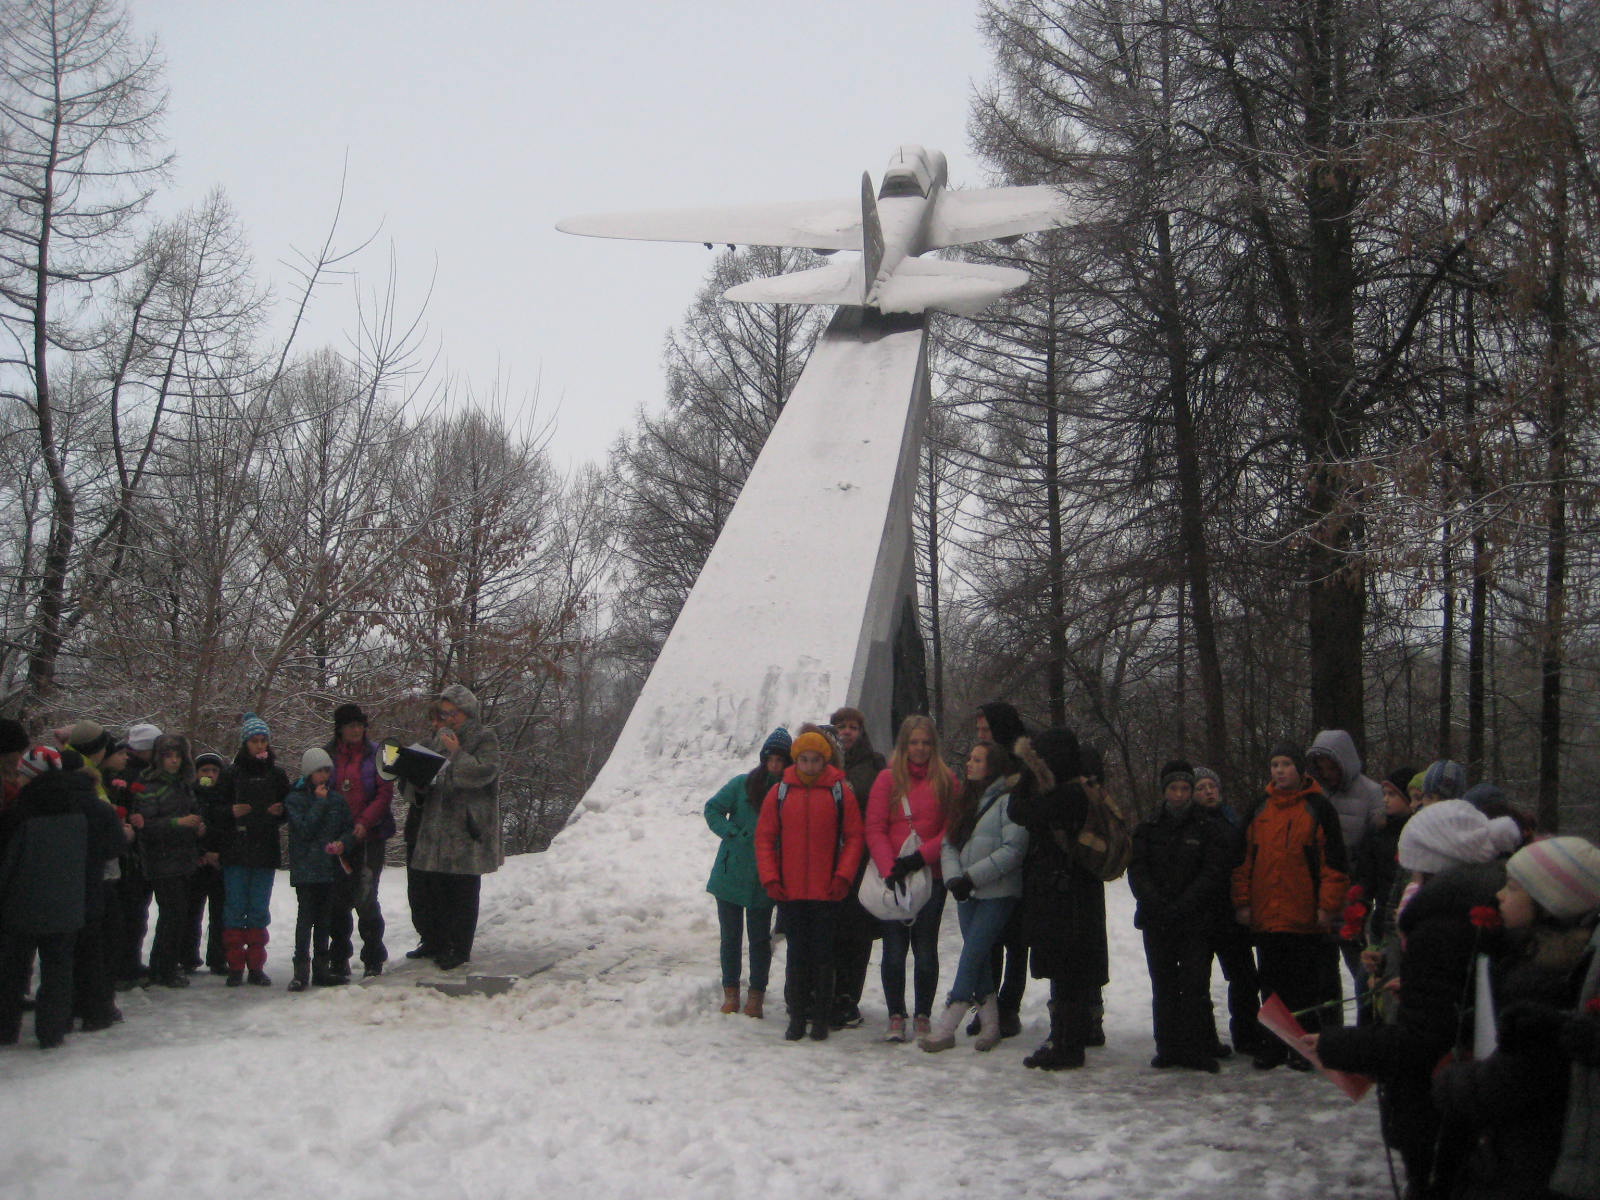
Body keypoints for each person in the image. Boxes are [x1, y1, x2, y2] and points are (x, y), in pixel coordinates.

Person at [1315, 799, 1510, 1198]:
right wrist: (1415, 982)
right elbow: (1457, 991)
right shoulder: (1475, 900)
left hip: (1439, 1101)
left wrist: (1333, 1044)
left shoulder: (1441, 920)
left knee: (1436, 1182)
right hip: (1462, 1092)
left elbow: (1423, 1038)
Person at [1433, 838, 1600, 1199]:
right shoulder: (1538, 960)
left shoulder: (1545, 981)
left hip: (1530, 1161)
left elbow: (1515, 1080)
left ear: (1550, 902)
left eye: (1512, 887)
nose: (1499, 897)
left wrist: (1450, 1082)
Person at [1232, 741, 1348, 1069]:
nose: (1280, 771)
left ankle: (1303, 1047)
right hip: (1267, 915)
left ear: (1300, 769)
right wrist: (1242, 902)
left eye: (1285, 764)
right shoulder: (1259, 808)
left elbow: (1334, 863)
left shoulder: (1319, 808)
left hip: (1305, 916)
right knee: (1270, 984)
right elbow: (1242, 861)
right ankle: (1272, 1043)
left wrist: (1328, 905)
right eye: (1275, 765)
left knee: (1305, 987)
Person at [0, 747, 121, 1048]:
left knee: (14, 970)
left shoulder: (18, 813)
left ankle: (5, 1028)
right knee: (58, 970)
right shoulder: (78, 809)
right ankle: (52, 1030)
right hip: (68, 902)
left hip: (22, 903)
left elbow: (8, 861)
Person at [755, 728, 864, 1042]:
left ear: (824, 760)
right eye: (804, 759)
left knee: (824, 956)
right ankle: (797, 1015)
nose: (810, 765)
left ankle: (820, 1017)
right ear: (797, 759)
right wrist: (771, 877)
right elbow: (765, 838)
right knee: (796, 956)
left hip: (826, 890)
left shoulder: (839, 790)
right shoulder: (781, 792)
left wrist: (843, 876)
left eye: (816, 760)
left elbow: (854, 837)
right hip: (790, 890)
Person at [921, 738, 1028, 1053]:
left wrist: (971, 876)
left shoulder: (1009, 801)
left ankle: (948, 1023)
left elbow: (1013, 850)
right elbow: (948, 842)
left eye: (977, 760)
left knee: (972, 954)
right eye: (970, 758)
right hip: (966, 891)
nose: (969, 764)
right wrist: (956, 877)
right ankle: (991, 1024)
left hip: (997, 892)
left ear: (992, 766)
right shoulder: (964, 799)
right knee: (977, 957)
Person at [1129, 759, 1233, 1072]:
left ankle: (1198, 1046)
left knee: (1195, 983)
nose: (1179, 794)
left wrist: (1184, 904)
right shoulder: (1148, 826)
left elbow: (1212, 871)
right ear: (1164, 792)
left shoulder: (1206, 826)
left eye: (1184, 788)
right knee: (1163, 984)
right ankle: (1168, 1045)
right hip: (1156, 917)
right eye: (1173, 788)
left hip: (1194, 918)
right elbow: (1137, 869)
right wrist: (1155, 902)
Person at [864, 714, 953, 1042]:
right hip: (894, 876)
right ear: (904, 745)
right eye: (914, 742)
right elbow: (874, 827)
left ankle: (923, 1013)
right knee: (894, 949)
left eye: (925, 742)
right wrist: (890, 868)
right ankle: (896, 1013)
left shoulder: (946, 781)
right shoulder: (888, 780)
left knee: (926, 948)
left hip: (931, 874)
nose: (919, 748)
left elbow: (952, 829)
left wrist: (921, 857)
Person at [410, 685, 502, 971]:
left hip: (466, 827)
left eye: (453, 713)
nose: (448, 718)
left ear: (467, 712)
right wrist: (416, 778)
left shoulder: (484, 737)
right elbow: (423, 778)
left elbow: (484, 772)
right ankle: (436, 941)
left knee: (461, 891)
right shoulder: (437, 739)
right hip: (436, 826)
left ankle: (459, 948)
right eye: (443, 713)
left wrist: (456, 753)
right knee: (436, 888)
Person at [704, 727, 788, 1020]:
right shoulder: (742, 784)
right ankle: (731, 991)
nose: (775, 765)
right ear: (763, 758)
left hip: (763, 878)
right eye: (771, 758)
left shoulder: (787, 792)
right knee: (730, 937)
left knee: (759, 940)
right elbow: (713, 808)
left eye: (781, 760)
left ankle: (756, 995)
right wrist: (731, 832)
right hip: (730, 873)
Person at [1307, 730, 1386, 1027]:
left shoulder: (1371, 792)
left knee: (1363, 970)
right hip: (1323, 893)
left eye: (1332, 766)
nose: (1328, 773)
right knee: (1323, 972)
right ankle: (1329, 1030)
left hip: (1355, 895)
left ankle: (1370, 1026)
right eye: (1322, 767)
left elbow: (1378, 845)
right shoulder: (1314, 793)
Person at [209, 715, 289, 987]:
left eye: (263, 740)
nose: (259, 745)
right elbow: (212, 811)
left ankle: (256, 966)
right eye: (255, 741)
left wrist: (280, 811)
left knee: (258, 910)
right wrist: (230, 812)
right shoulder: (230, 774)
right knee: (234, 909)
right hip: (236, 850)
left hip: (265, 849)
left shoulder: (276, 774)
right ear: (245, 743)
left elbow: (288, 806)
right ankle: (234, 965)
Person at [1193, 765, 1263, 1056]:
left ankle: (1248, 1035)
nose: (1209, 791)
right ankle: (1204, 1038)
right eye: (1202, 787)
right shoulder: (1191, 823)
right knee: (1199, 980)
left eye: (1213, 786)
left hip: (1232, 913)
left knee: (1245, 978)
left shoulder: (1233, 819)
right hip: (1202, 913)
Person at [974, 700, 1031, 1039]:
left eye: (986, 730)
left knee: (1015, 942)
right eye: (979, 730)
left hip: (1019, 859)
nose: (982, 736)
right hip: (986, 859)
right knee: (989, 940)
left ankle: (1009, 1007)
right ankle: (988, 1005)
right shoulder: (985, 762)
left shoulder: (1024, 760)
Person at [325, 703, 395, 978]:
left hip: (371, 835)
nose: (356, 730)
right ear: (340, 729)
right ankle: (339, 956)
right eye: (350, 725)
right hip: (338, 838)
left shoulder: (383, 753)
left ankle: (373, 955)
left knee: (366, 896)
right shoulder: (327, 754)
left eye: (360, 724)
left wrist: (363, 823)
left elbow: (385, 794)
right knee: (338, 898)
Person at [828, 705, 886, 1030]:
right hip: (829, 860)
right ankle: (830, 992)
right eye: (841, 726)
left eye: (852, 726)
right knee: (832, 931)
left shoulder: (874, 764)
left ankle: (850, 996)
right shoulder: (822, 759)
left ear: (861, 732)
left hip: (862, 860)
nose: (846, 731)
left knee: (858, 932)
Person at [136, 733, 204, 989]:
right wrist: (179, 823)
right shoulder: (150, 785)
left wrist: (197, 825)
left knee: (178, 915)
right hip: (161, 858)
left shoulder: (184, 783)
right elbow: (147, 825)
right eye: (168, 757)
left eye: (177, 756)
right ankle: (162, 968)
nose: (173, 761)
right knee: (172, 914)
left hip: (183, 856)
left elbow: (194, 810)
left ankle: (165, 965)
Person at [284, 748, 354, 991]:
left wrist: (343, 843)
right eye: (319, 771)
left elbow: (348, 827)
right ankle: (300, 970)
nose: (324, 776)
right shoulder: (295, 798)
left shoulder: (337, 799)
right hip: (305, 869)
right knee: (306, 919)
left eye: (327, 770)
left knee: (324, 919)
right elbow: (304, 829)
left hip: (328, 869)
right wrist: (319, 803)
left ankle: (322, 969)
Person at [112, 722, 161, 988]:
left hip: (136, 850)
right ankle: (125, 965)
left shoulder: (130, 771)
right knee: (131, 911)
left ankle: (126, 961)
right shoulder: (135, 776)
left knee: (134, 911)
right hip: (132, 852)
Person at [185, 749, 228, 975]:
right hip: (197, 861)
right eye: (205, 770)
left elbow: (228, 828)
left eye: (214, 770)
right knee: (192, 910)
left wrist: (218, 852)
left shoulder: (226, 795)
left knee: (220, 911)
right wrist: (202, 851)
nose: (210, 774)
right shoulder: (190, 795)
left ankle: (218, 957)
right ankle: (188, 955)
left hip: (220, 861)